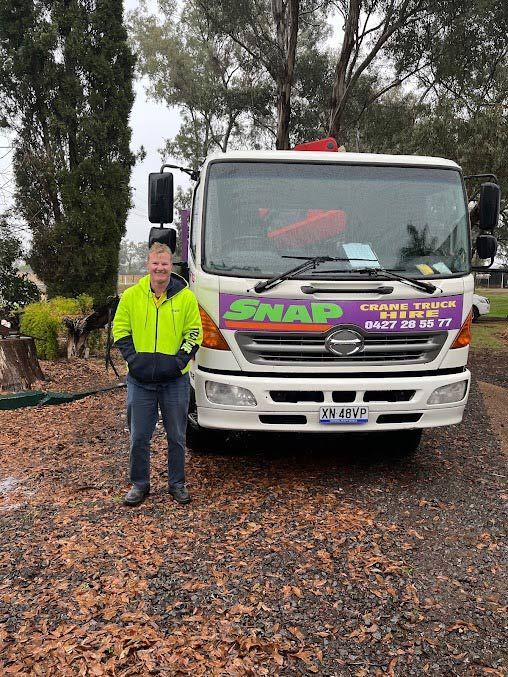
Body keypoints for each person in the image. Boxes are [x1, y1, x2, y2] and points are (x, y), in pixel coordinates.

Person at [113, 242, 202, 506]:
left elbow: (195, 332)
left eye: (164, 264)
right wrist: (133, 360)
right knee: (139, 435)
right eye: (155, 263)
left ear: (171, 266)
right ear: (148, 265)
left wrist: (178, 362)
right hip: (140, 381)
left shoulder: (186, 297)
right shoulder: (131, 296)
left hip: (174, 380)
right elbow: (120, 330)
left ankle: (177, 484)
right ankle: (139, 484)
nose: (160, 268)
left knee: (176, 435)